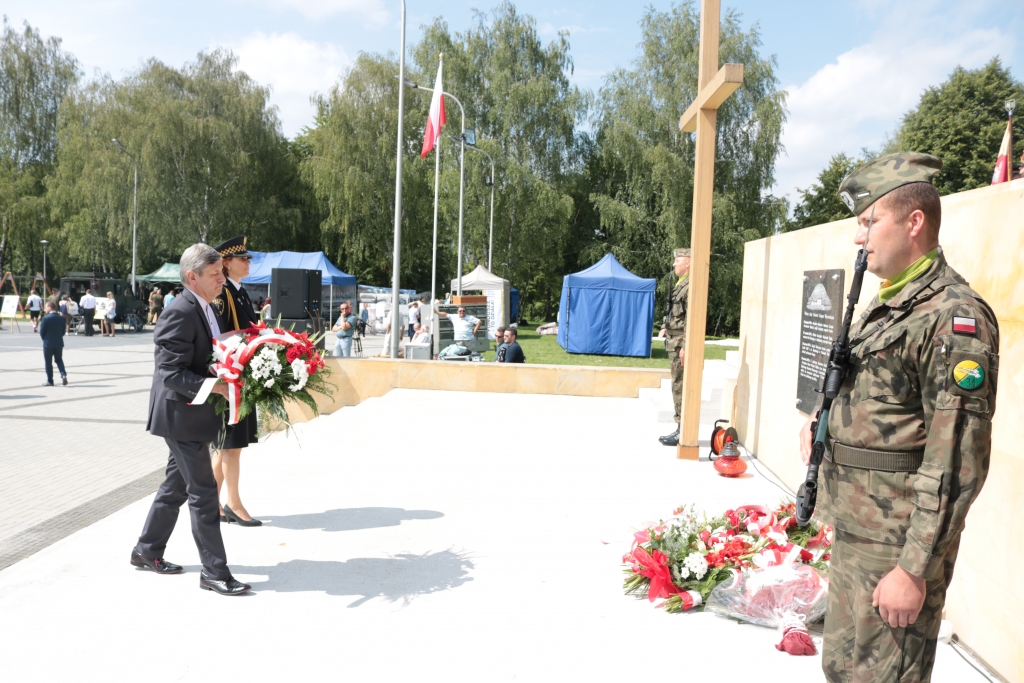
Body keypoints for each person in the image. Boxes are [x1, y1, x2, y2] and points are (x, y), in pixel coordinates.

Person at [797, 153, 999, 683]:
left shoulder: (953, 318)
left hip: (897, 545)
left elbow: (956, 460)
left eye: (869, 221)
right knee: (843, 669)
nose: (858, 237)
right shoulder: (892, 303)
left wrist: (913, 569)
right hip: (860, 532)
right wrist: (824, 420)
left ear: (914, 222)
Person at [132, 242, 251, 596]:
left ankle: (147, 549)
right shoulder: (179, 312)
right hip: (180, 416)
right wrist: (217, 387)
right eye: (215, 274)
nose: (222, 279)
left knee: (176, 487)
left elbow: (208, 355)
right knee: (204, 492)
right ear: (192, 277)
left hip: (193, 415)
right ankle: (214, 572)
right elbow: (170, 373)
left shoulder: (208, 307)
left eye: (222, 272)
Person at [209, 235, 263, 527]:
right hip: (231, 378)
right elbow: (222, 338)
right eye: (243, 259)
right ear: (227, 263)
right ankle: (233, 503)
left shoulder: (239, 292)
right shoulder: (224, 294)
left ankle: (212, 503)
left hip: (241, 378)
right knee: (230, 445)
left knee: (229, 445)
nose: (248, 262)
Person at [658, 248, 691, 446]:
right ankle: (680, 427)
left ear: (688, 263)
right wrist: (665, 325)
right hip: (674, 341)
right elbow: (673, 310)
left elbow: (691, 319)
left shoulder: (690, 286)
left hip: (680, 344)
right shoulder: (680, 284)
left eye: (677, 260)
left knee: (679, 386)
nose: (674, 264)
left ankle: (682, 429)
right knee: (676, 385)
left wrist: (686, 346)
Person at [39, 302, 68, 386]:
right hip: (59, 342)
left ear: (49, 307)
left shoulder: (45, 318)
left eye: (46, 307)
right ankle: (63, 375)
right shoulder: (62, 318)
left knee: (48, 362)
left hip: (48, 343)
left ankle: (50, 380)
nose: (45, 309)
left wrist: (45, 339)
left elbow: (42, 332)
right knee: (59, 360)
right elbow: (63, 332)